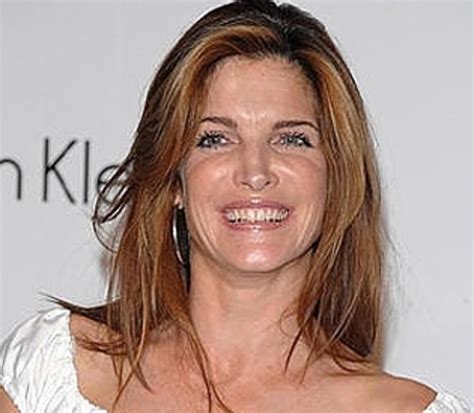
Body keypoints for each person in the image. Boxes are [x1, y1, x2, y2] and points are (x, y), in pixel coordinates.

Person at [0, 0, 470, 412]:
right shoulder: (58, 372)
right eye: (215, 139)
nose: (255, 171)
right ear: (174, 178)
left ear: (336, 178)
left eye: (291, 138)